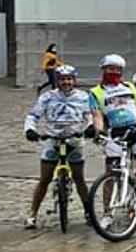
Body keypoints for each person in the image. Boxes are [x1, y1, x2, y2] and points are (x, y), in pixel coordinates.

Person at [90, 55, 136, 228]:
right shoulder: (96, 92)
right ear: (103, 70)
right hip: (116, 132)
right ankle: (108, 212)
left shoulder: (129, 86)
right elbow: (97, 115)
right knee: (110, 171)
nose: (114, 72)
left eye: (117, 69)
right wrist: (99, 130)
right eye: (111, 69)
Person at [24, 64, 94, 229]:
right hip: (52, 140)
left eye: (69, 79)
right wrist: (30, 130)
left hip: (74, 141)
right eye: (62, 79)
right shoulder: (47, 97)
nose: (66, 82)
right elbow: (33, 115)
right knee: (45, 179)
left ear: (74, 80)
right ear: (57, 80)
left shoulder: (84, 97)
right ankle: (32, 214)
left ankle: (88, 211)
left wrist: (90, 127)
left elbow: (89, 114)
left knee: (79, 179)